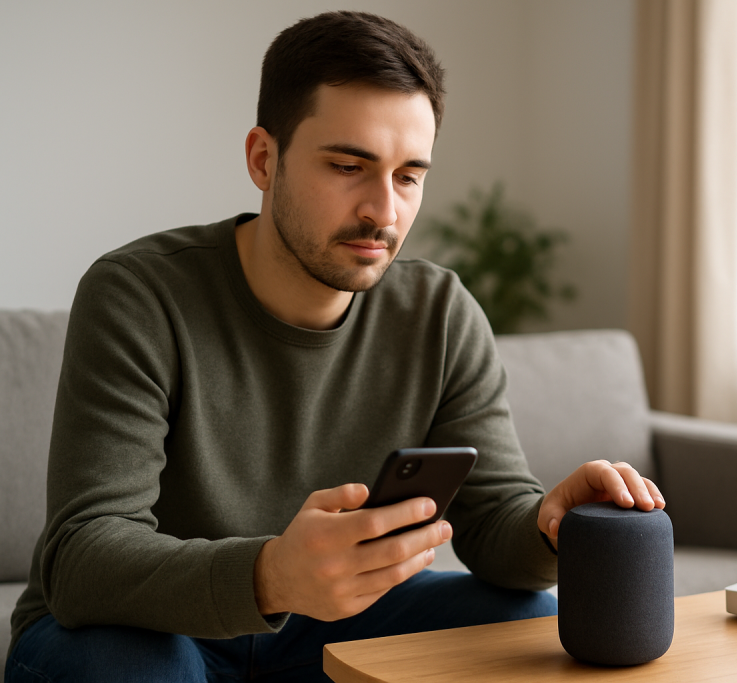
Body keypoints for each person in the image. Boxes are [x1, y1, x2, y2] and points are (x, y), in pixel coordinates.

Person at [4, 10, 664, 682]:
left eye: (409, 175)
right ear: (265, 159)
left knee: (527, 622)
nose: (384, 210)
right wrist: (271, 577)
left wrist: (551, 524)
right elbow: (80, 557)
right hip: (148, 629)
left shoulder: (440, 313)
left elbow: (496, 528)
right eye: (350, 165)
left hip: (338, 620)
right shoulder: (139, 294)